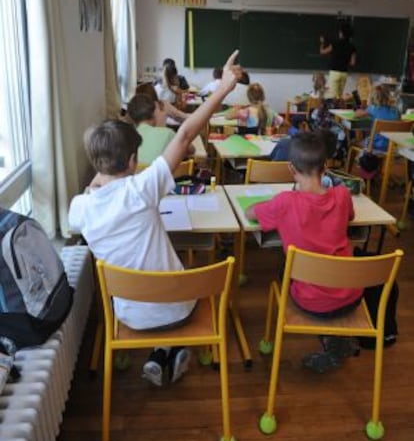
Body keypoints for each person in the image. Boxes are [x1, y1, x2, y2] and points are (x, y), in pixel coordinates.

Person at [68, 50, 239, 387]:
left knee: (156, 297)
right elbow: (186, 134)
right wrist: (224, 88)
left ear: (95, 163)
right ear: (133, 160)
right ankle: (170, 350)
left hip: (128, 313)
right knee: (177, 288)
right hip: (177, 307)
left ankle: (163, 353)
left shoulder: (79, 209)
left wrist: (95, 183)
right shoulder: (143, 188)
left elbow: (90, 194)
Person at [245, 132, 362, 373]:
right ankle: (335, 340)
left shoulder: (285, 202)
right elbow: (351, 217)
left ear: (291, 168)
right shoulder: (342, 195)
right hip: (351, 295)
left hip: (312, 303)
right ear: (326, 166)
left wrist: (260, 205)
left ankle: (332, 341)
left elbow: (250, 213)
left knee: (284, 268)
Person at [125, 94, 194, 164]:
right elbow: (192, 150)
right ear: (154, 113)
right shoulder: (168, 133)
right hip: (166, 174)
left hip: (137, 174)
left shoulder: (125, 138)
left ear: (132, 119)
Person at [355, 84, 399, 151]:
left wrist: (366, 106)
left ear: (372, 97)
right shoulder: (395, 110)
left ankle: (359, 160)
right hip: (392, 146)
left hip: (375, 145)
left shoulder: (373, 108)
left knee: (355, 142)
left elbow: (357, 114)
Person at [320, 21, 357, 99]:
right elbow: (353, 63)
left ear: (341, 33)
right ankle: (340, 109)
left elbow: (323, 52)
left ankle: (334, 110)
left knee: (333, 97)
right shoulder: (352, 47)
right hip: (344, 73)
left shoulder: (335, 43)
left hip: (334, 72)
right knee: (339, 96)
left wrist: (322, 43)